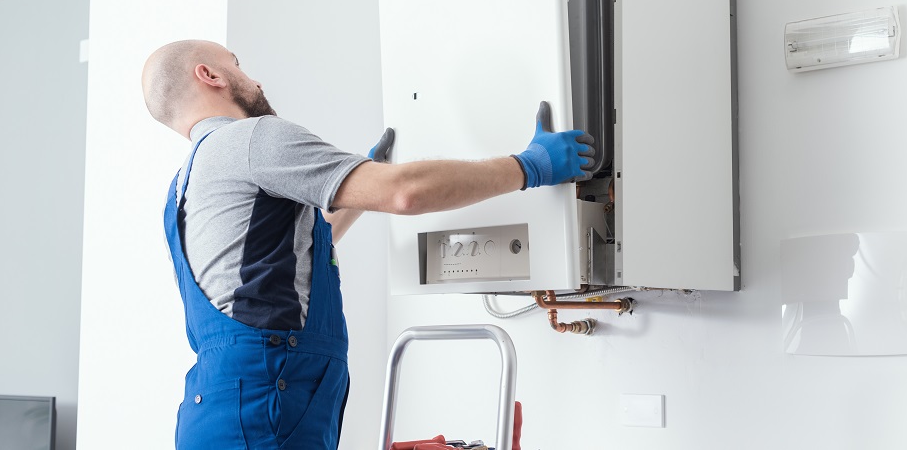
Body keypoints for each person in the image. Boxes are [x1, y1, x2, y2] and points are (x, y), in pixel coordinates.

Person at [141, 39, 595, 449]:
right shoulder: (252, 138)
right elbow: (405, 192)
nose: (254, 78)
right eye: (237, 64)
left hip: (217, 413)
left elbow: (292, 255)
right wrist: (529, 167)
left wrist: (354, 187)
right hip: (262, 408)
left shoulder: (183, 185)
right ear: (211, 75)